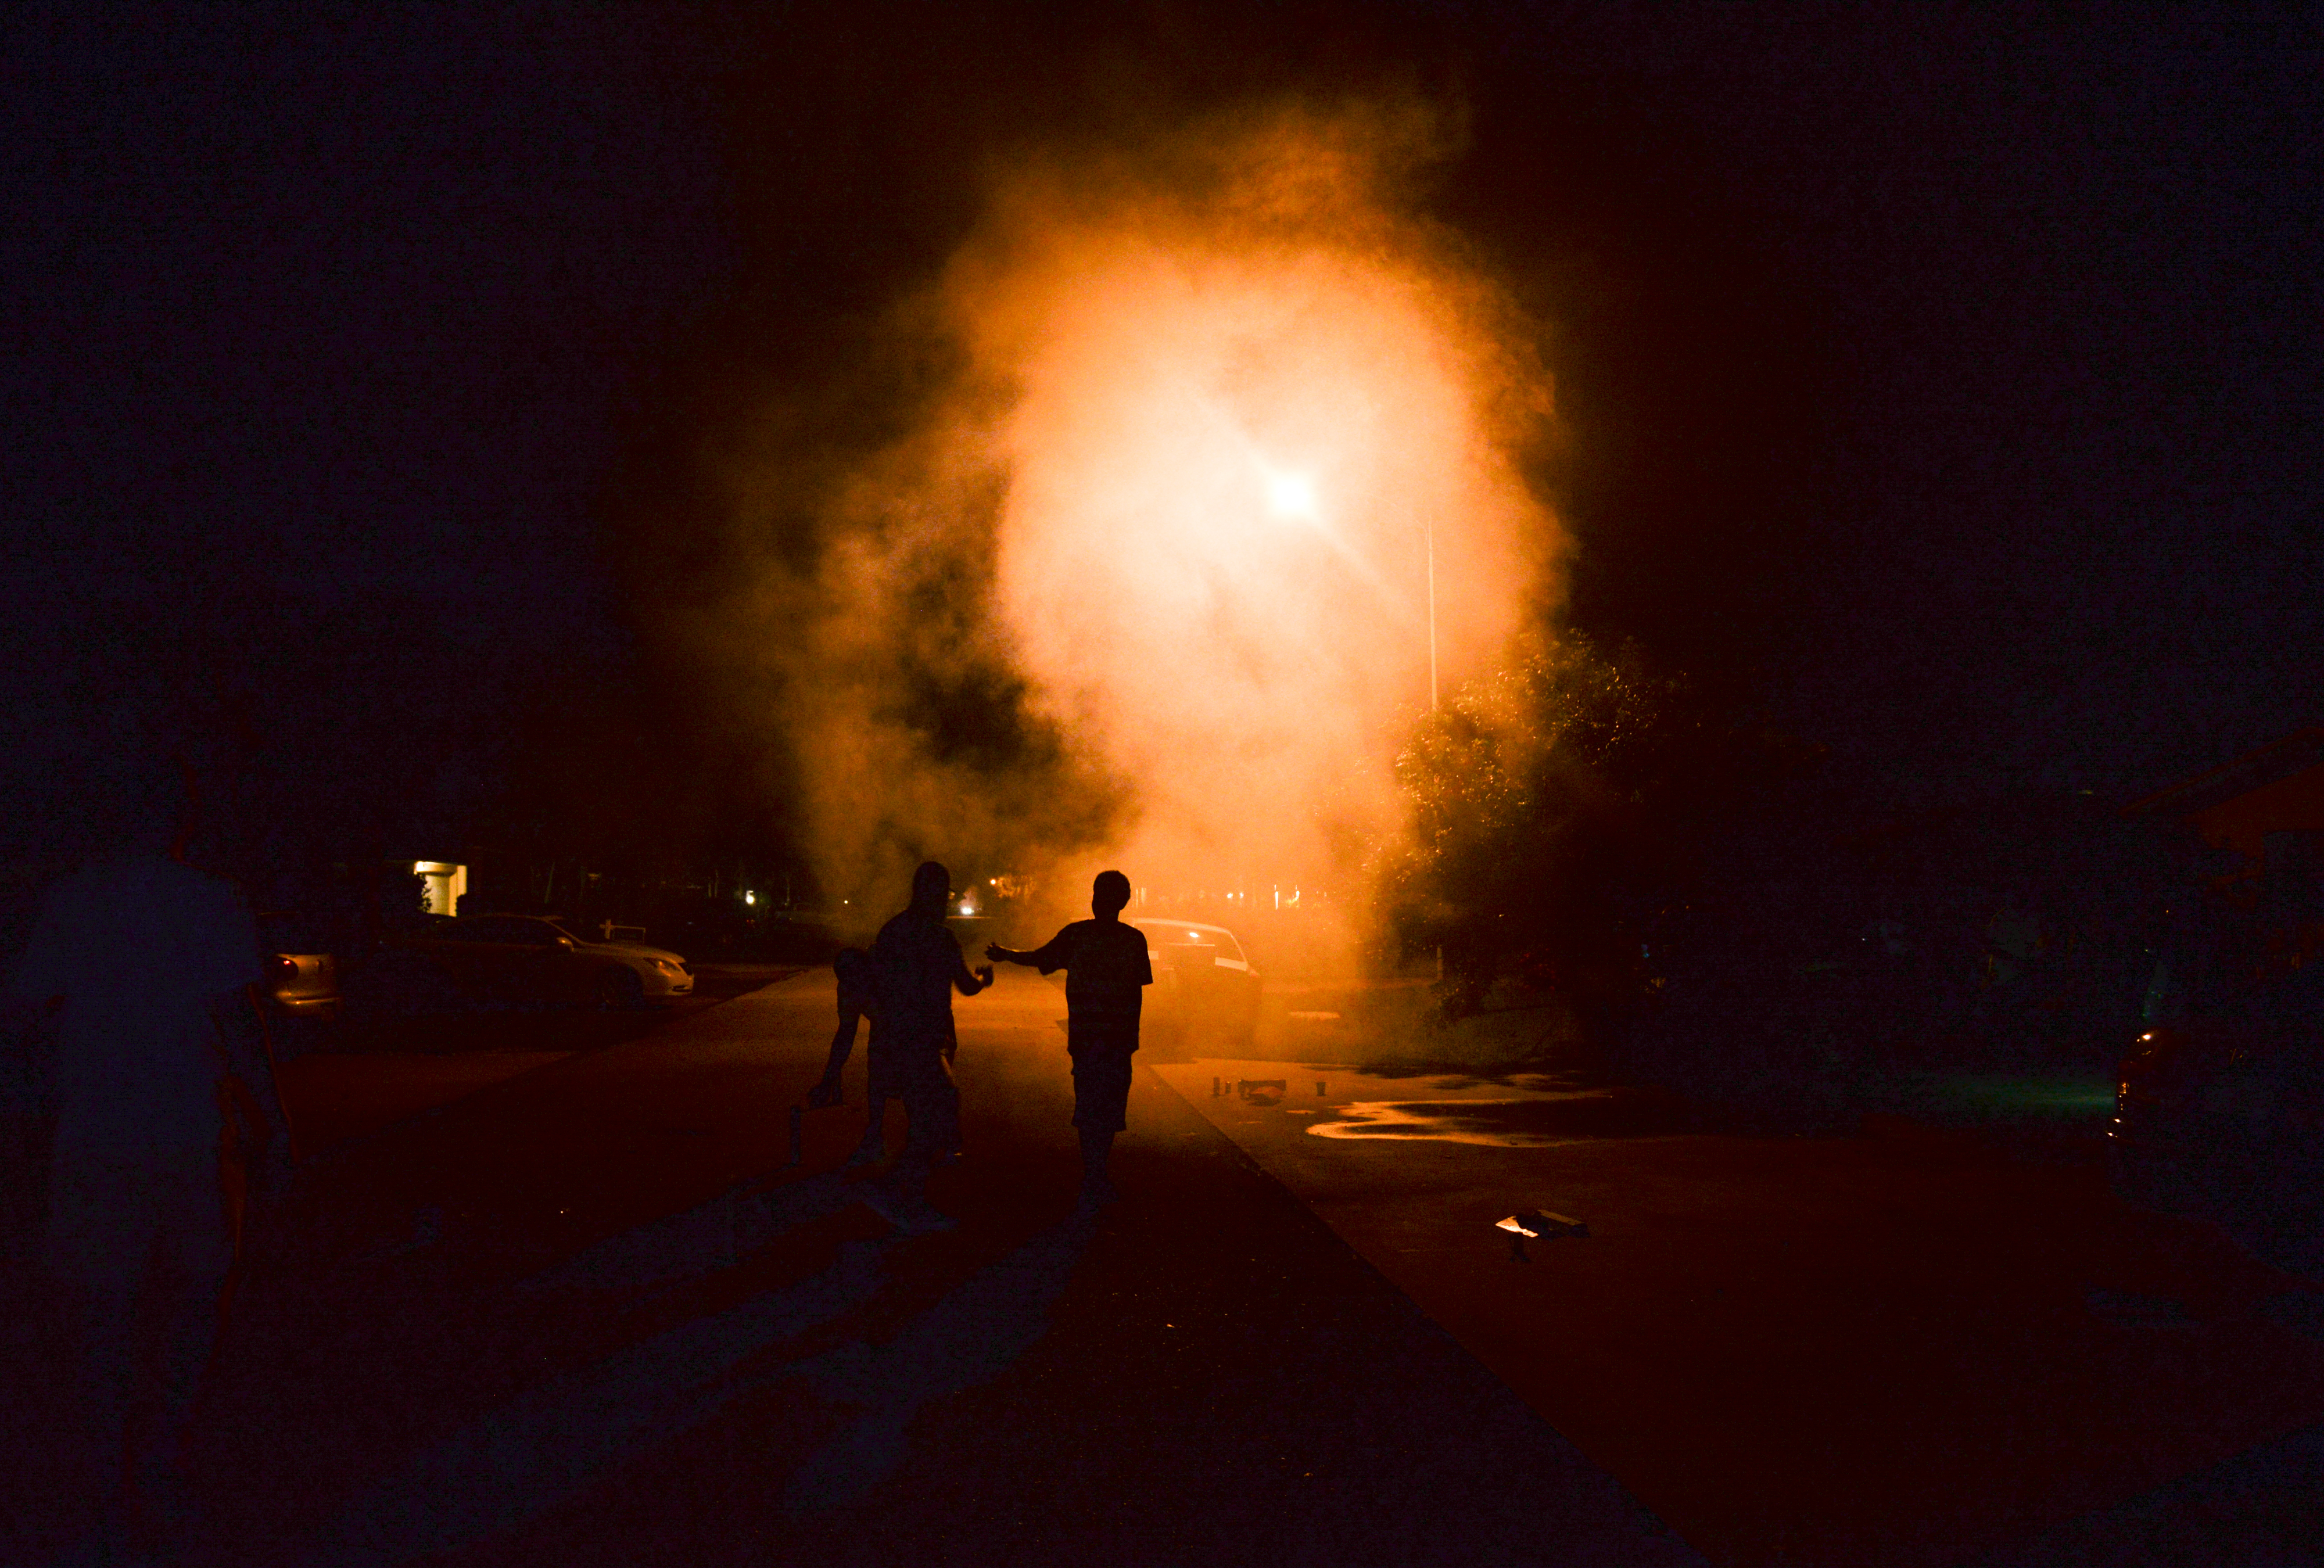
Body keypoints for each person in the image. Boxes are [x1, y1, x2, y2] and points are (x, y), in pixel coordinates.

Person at [3, 752, 286, 1560]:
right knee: (195, 1297)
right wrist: (272, 1122)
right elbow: (238, 1024)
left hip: (94, 1136)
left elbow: (24, 1008)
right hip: (185, 1135)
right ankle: (158, 1460)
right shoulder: (208, 902)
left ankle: (105, 1479)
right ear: (179, 819)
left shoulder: (72, 900)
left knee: (102, 1312)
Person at [987, 870, 1152, 1215]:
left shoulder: (1078, 936)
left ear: (1097, 899)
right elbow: (1137, 994)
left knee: (1090, 1105)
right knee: (1108, 1109)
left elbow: (1039, 957)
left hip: (1088, 1038)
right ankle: (1097, 1173)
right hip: (1117, 1041)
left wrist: (1006, 954)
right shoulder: (1133, 941)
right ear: (1125, 901)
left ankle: (1093, 1173)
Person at [864, 862, 991, 1232]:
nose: (946, 902)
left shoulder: (892, 933)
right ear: (932, 893)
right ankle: (897, 1195)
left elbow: (877, 987)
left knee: (924, 1119)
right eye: (945, 893)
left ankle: (901, 1195)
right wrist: (983, 980)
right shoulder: (940, 938)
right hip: (925, 1041)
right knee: (937, 1113)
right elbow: (966, 986)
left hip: (899, 1038)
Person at [808, 946, 901, 1169]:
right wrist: (827, 1081)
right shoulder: (849, 987)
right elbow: (845, 1035)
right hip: (885, 1025)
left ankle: (937, 1134)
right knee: (877, 1074)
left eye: (858, 981)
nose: (854, 989)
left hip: (921, 1018)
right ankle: (874, 1135)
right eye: (847, 983)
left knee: (921, 1080)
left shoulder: (894, 973)